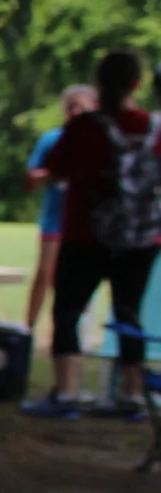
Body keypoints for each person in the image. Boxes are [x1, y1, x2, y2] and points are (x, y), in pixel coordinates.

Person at [32, 49, 161, 417]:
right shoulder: (153, 129)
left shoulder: (84, 127)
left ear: (98, 82)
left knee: (69, 311)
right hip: (140, 240)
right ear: (137, 83)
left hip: (85, 235)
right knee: (128, 314)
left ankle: (66, 394)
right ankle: (132, 397)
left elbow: (56, 171)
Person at [25, 85, 99, 334]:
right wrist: (52, 174)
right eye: (71, 107)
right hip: (54, 219)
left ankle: (74, 331)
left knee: (77, 281)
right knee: (44, 273)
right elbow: (32, 178)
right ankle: (29, 328)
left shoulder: (99, 141)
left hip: (84, 223)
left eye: (82, 107)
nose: (76, 111)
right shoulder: (52, 139)